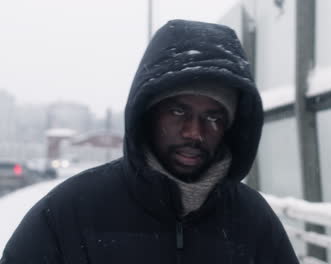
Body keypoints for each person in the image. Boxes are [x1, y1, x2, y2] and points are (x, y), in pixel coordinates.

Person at [1, 20, 299, 264]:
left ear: (229, 127)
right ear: (149, 115)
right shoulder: (69, 213)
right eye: (179, 111)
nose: (194, 132)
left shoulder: (253, 222)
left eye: (213, 118)